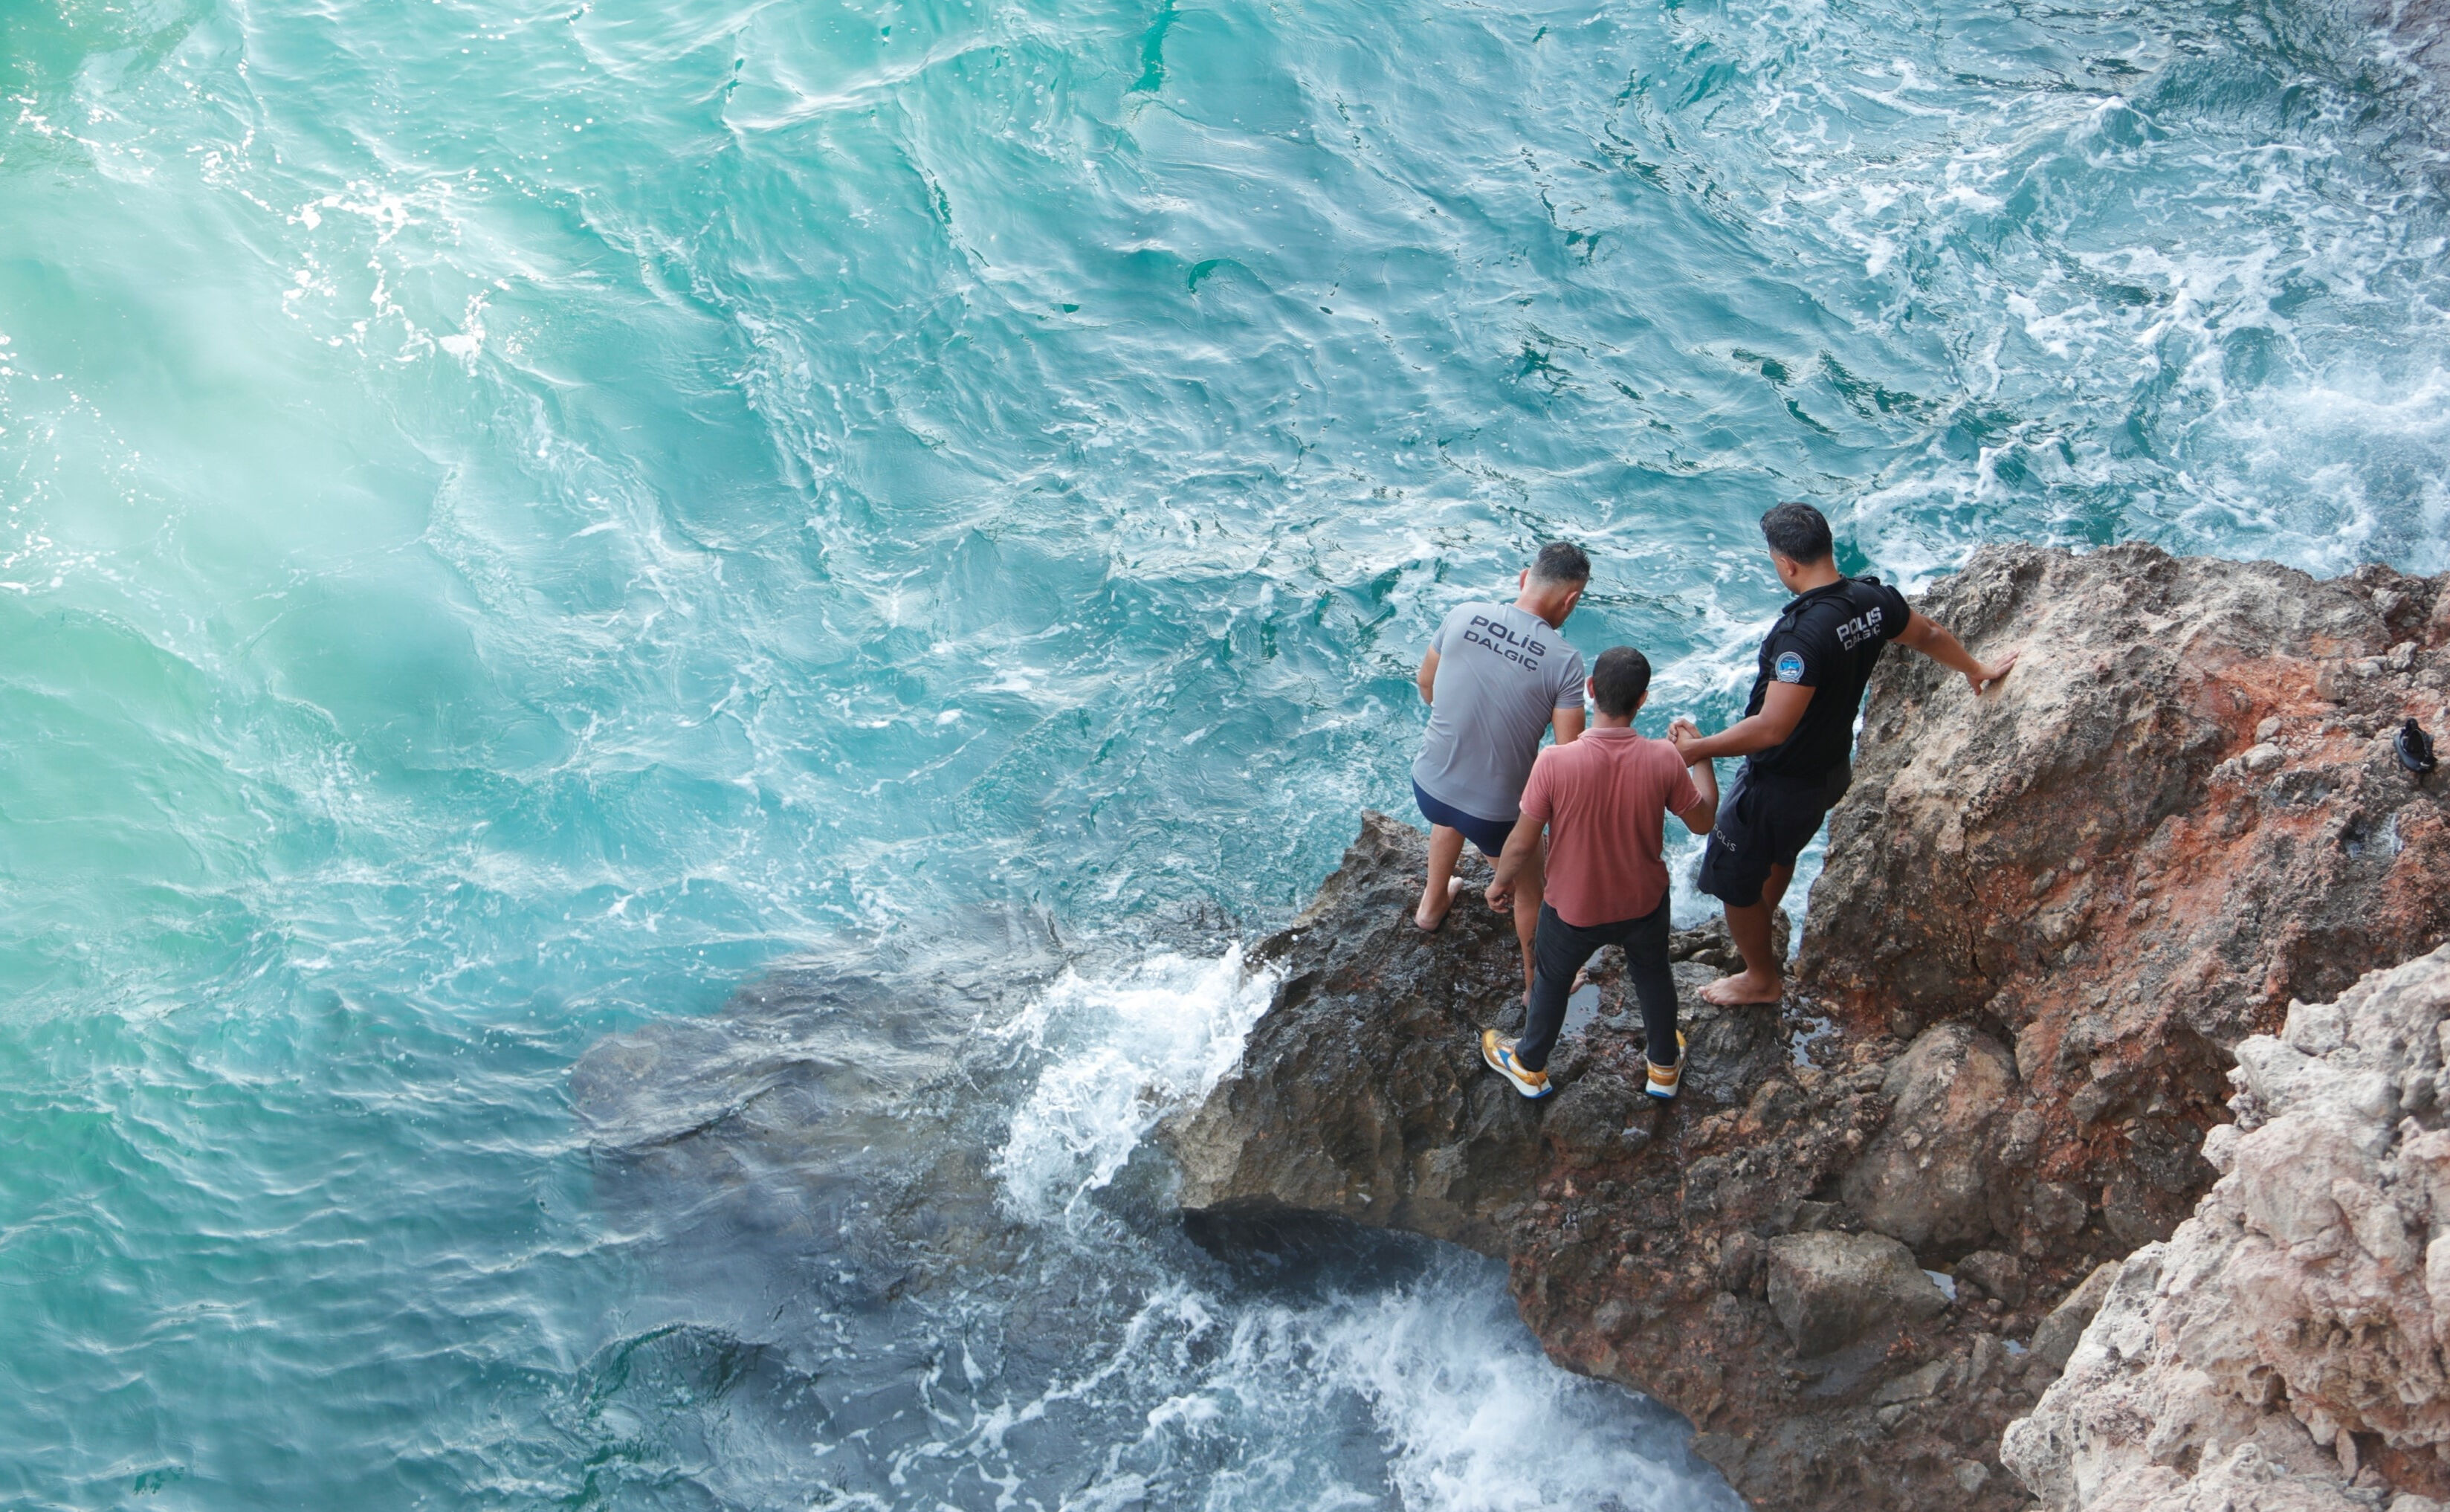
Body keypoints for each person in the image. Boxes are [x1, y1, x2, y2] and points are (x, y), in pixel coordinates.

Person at [1672, 503, 2017, 1007]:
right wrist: (1975, 667)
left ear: (1787, 565)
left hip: (1781, 783)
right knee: (1780, 853)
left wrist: (1697, 748)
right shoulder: (1872, 600)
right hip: (1831, 771)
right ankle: (1761, 928)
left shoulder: (1801, 635)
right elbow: (1931, 635)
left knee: (1732, 881)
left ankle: (1760, 979)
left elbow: (1772, 728)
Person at [1479, 646, 1719, 1101]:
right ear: (1642, 700)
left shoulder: (1554, 761)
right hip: (1643, 903)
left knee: (1551, 980)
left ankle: (1530, 1066)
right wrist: (1701, 756)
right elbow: (1704, 821)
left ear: (1590, 691)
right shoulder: (1664, 759)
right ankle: (1664, 1066)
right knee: (1653, 975)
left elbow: (1522, 841)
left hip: (1572, 908)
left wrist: (1500, 883)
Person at [1412, 543, 1591, 999]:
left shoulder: (1463, 613)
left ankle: (1431, 908)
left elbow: (1426, 685)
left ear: (1523, 577)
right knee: (1534, 889)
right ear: (1571, 600)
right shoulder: (1564, 661)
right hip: (1494, 815)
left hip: (1429, 783)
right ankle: (1540, 985)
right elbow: (1567, 754)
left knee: (1451, 812)